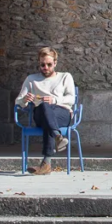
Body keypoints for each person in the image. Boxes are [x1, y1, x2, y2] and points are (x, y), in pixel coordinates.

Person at [15, 47, 77, 176]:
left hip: (62, 112)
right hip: (41, 113)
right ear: (39, 63)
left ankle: (46, 164)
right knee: (43, 107)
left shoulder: (65, 77)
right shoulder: (31, 79)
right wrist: (25, 100)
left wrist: (54, 100)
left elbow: (71, 99)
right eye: (42, 65)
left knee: (49, 120)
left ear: (55, 63)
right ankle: (57, 136)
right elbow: (18, 101)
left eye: (49, 64)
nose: (46, 68)